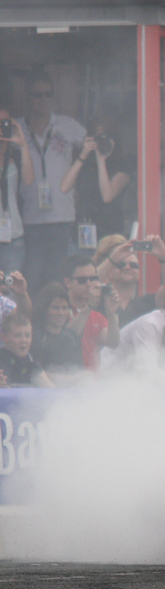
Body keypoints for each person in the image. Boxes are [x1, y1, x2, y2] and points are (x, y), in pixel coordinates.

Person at [18, 72, 87, 292]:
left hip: (62, 214)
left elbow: (94, 149)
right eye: (37, 95)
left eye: (47, 94)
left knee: (58, 276)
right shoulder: (17, 128)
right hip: (29, 216)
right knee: (32, 276)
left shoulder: (67, 125)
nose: (43, 99)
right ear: (28, 97)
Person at [58, 116, 132, 242]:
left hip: (109, 232)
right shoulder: (86, 163)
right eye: (97, 139)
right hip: (83, 230)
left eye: (105, 138)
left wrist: (101, 160)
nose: (100, 143)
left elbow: (107, 196)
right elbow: (64, 188)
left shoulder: (122, 165)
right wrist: (83, 154)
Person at [94, 234, 165, 324]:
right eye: (121, 264)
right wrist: (113, 259)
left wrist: (164, 257)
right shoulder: (97, 301)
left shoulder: (146, 303)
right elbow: (90, 283)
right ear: (109, 273)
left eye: (134, 265)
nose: (128, 267)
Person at [62, 254, 119, 373]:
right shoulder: (60, 310)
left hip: (91, 380)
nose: (89, 284)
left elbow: (113, 343)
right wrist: (90, 305)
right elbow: (70, 336)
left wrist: (112, 313)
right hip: (66, 376)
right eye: (82, 280)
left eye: (93, 279)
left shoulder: (96, 316)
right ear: (68, 283)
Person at [0, 103, 34, 274]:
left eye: (5, 123)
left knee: (11, 286)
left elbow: (28, 180)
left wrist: (22, 144)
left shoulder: (15, 155)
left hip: (13, 236)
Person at [31, 281, 83, 385]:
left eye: (65, 308)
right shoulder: (34, 337)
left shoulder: (71, 337)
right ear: (44, 309)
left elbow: (79, 371)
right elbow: (34, 373)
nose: (61, 313)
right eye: (56, 308)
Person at [0, 313, 53, 388]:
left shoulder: (30, 360)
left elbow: (50, 389)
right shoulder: (2, 360)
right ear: (4, 337)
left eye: (27, 335)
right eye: (17, 335)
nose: (23, 340)